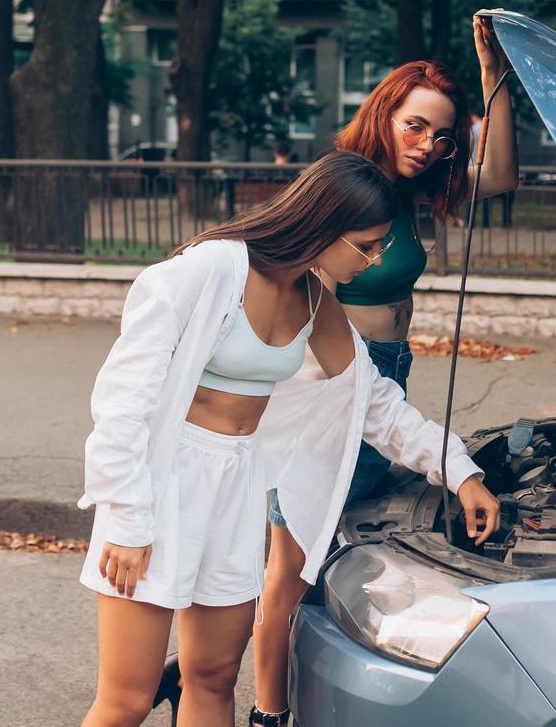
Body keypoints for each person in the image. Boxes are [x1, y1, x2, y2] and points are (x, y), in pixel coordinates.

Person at [78, 151, 500, 727]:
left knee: (214, 676)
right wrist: (127, 518)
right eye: (367, 245)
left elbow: (371, 400)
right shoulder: (207, 272)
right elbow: (122, 400)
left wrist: (458, 469)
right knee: (127, 700)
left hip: (236, 484)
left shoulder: (314, 299)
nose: (377, 259)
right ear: (324, 224)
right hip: (161, 483)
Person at [250, 13, 518, 725]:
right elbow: (303, 309)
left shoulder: (404, 191)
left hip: (382, 375)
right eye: (414, 127)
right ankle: (268, 712)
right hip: (333, 382)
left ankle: (312, 691)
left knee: (337, 544)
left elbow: (498, 173)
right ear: (383, 114)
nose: (428, 145)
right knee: (290, 565)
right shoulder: (347, 189)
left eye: (441, 135)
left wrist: (493, 77)